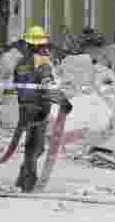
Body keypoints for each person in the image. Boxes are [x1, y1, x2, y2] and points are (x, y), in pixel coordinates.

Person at [12, 25, 72, 193]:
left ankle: (23, 176)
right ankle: (28, 181)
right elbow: (48, 85)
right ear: (40, 45)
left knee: (32, 145)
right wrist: (63, 101)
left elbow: (17, 85)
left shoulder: (20, 62)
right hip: (39, 108)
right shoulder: (42, 61)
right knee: (36, 146)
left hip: (24, 107)